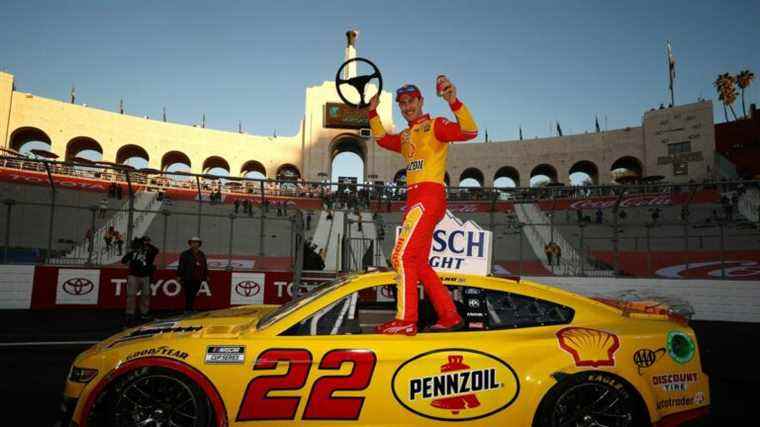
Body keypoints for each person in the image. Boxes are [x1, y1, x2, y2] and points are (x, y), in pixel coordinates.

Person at [368, 75, 478, 335]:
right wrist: (372, 112)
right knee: (418, 263)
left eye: (411, 101)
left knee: (401, 256)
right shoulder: (406, 135)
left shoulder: (435, 125)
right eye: (402, 104)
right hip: (416, 200)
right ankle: (450, 316)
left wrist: (454, 101)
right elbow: (383, 139)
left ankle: (406, 320)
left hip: (429, 196)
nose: (407, 107)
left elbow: (470, 131)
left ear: (421, 101)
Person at [121, 236, 159, 324]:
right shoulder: (133, 252)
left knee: (145, 295)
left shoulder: (150, 252)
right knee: (131, 295)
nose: (146, 243)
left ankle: (144, 313)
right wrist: (132, 263)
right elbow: (124, 260)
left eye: (148, 241)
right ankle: (130, 313)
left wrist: (147, 244)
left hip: (146, 276)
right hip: (133, 276)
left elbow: (156, 250)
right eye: (144, 241)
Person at [177, 236, 208, 313]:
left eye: (196, 242)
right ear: (190, 244)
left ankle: (190, 308)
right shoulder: (185, 254)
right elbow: (181, 265)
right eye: (192, 242)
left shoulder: (201, 254)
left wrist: (206, 275)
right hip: (188, 277)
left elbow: (204, 265)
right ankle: (188, 309)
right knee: (188, 293)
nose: (194, 244)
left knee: (194, 293)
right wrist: (179, 275)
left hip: (198, 277)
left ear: (199, 244)